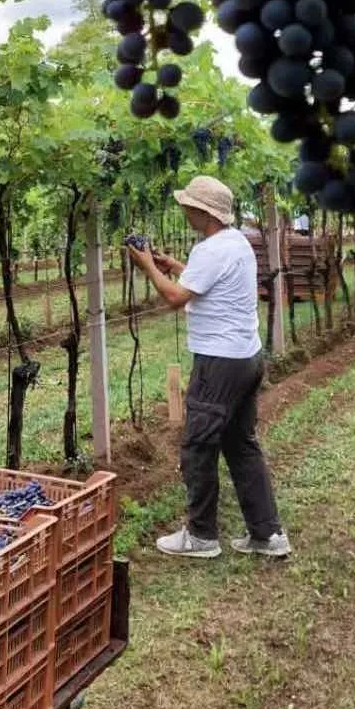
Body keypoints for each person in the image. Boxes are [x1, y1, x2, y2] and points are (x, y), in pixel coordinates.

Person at [127, 175, 290, 560]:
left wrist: (148, 266)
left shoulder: (210, 250)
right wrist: (175, 264)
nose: (184, 210)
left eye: (188, 206)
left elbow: (174, 297)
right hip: (247, 358)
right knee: (241, 444)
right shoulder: (237, 242)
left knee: (198, 445)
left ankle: (201, 536)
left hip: (219, 363)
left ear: (204, 212)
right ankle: (267, 535)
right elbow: (212, 279)